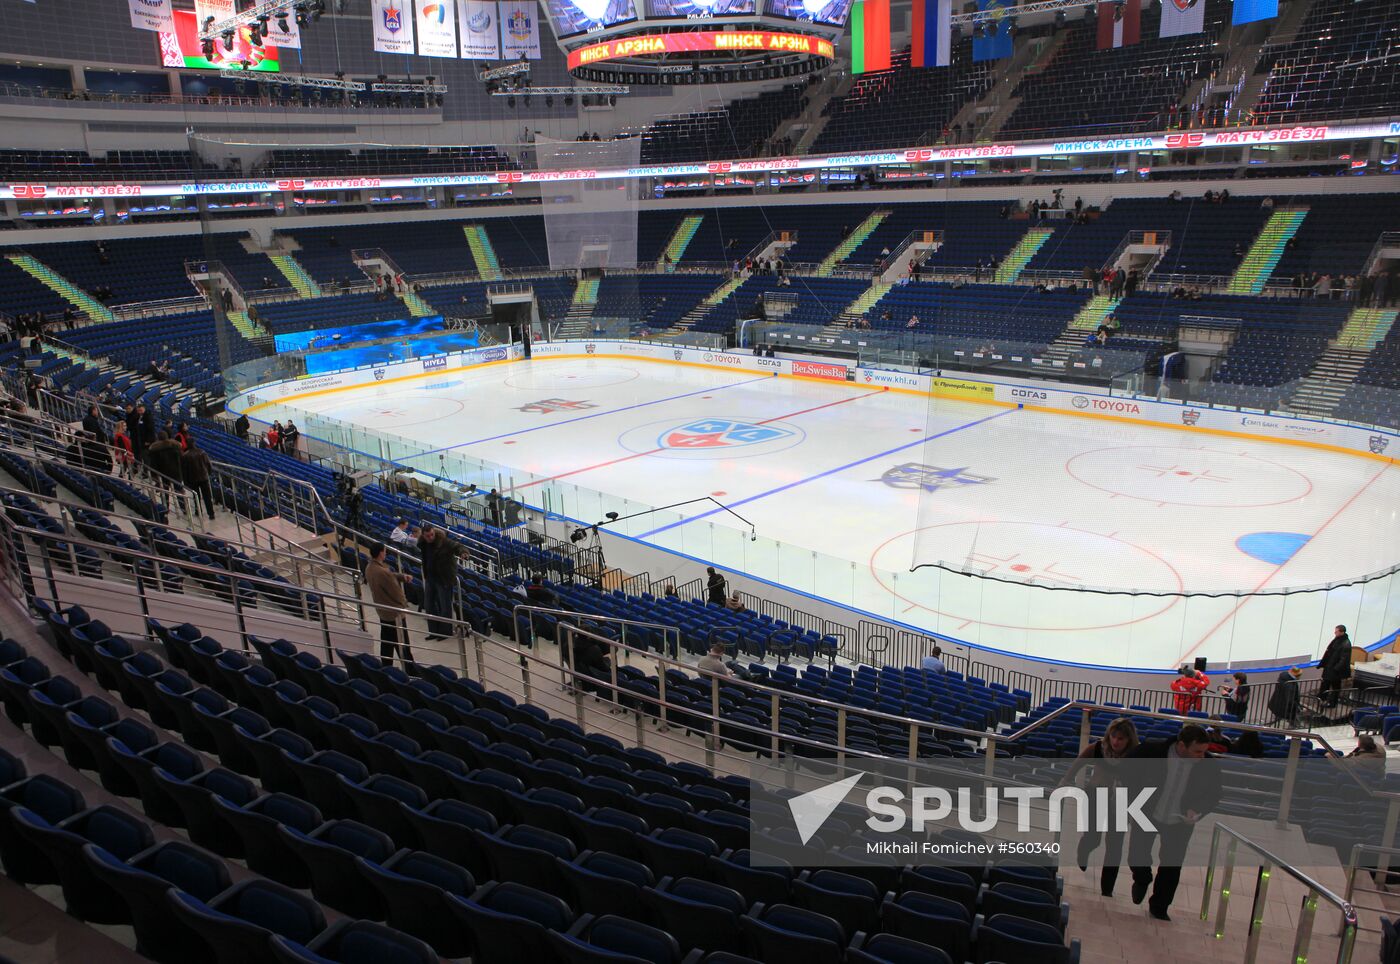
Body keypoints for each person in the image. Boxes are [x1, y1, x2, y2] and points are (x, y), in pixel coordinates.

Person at [1125, 723, 1221, 921]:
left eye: (1204, 752)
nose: (1202, 756)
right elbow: (1127, 769)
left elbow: (1214, 795)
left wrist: (1198, 810)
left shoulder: (1208, 765)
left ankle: (1160, 907)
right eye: (1197, 751)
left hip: (1180, 822)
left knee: (1172, 866)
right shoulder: (1153, 751)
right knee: (1137, 854)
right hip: (1148, 813)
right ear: (1182, 745)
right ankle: (1141, 878)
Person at [1062, 717, 1139, 896]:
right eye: (1113, 736)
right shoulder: (1099, 748)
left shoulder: (1135, 754)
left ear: (1129, 739)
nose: (1116, 741)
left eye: (1121, 738)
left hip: (1121, 801)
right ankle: (1084, 849)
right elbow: (1079, 761)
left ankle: (1107, 889)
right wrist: (1066, 779)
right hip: (1095, 795)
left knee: (1114, 844)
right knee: (1093, 837)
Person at [365, 543, 414, 667]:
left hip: (383, 612)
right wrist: (404, 603)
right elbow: (396, 592)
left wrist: (401, 577)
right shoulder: (382, 572)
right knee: (402, 644)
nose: (386, 553)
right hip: (394, 614)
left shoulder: (369, 568)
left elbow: (388, 576)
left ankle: (386, 666)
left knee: (387, 643)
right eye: (385, 551)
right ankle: (411, 670)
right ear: (381, 553)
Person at [417, 525, 461, 640]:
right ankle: (434, 631)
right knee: (428, 605)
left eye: (432, 534)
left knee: (445, 606)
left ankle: (445, 632)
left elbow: (457, 547)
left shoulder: (444, 542)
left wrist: (463, 553)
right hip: (430, 578)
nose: (431, 537)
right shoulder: (423, 544)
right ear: (423, 536)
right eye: (428, 536)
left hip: (444, 579)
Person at [1319, 624, 1352, 707]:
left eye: (1336, 631)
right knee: (1325, 684)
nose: (1335, 632)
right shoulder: (1337, 640)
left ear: (1342, 632)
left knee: (1335, 687)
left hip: (1335, 671)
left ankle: (1332, 703)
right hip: (1329, 668)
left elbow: (1344, 659)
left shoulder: (1346, 643)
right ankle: (1322, 698)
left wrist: (1336, 669)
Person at [181, 437, 215, 517]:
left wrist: (186, 481)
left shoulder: (185, 455)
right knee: (207, 497)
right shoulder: (202, 452)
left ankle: (198, 511)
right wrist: (208, 473)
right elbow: (209, 464)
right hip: (203, 477)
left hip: (192, 479)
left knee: (196, 497)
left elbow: (184, 470)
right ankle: (211, 513)